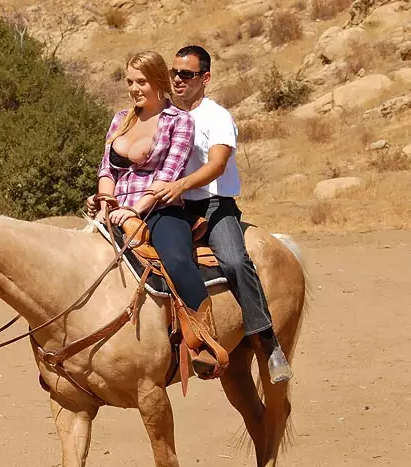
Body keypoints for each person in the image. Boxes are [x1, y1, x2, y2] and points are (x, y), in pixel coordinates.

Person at [149, 45, 293, 384]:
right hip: (170, 204)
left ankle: (268, 343)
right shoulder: (165, 114)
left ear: (205, 78)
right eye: (174, 73)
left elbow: (217, 164)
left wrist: (181, 185)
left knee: (234, 260)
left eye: (187, 74)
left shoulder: (216, 117)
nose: (178, 79)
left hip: (212, 205)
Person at [88, 50, 223, 378]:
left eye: (142, 82)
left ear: (159, 81)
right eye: (129, 82)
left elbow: (169, 174)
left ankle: (204, 338)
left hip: (160, 209)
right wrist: (105, 201)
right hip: (114, 210)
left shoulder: (179, 121)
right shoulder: (121, 119)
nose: (134, 89)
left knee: (177, 261)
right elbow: (107, 168)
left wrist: (133, 210)